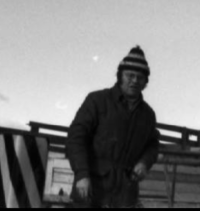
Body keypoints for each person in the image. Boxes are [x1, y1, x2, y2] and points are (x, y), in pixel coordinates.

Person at [67, 46, 160, 208]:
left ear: (146, 82)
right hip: (91, 188)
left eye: (140, 77)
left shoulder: (148, 115)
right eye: (130, 75)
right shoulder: (97, 101)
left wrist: (145, 162)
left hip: (125, 193)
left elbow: (153, 144)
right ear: (120, 76)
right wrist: (82, 174)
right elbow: (76, 137)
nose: (135, 81)